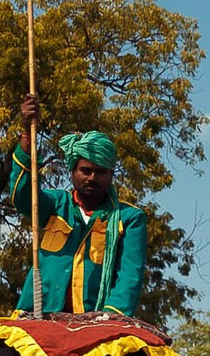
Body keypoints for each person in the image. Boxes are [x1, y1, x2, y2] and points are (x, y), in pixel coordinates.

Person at [8, 95, 147, 316]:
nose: (92, 178)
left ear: (111, 175)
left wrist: (109, 317)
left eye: (100, 172)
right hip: (39, 317)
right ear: (73, 172)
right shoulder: (55, 205)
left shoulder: (129, 218)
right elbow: (21, 195)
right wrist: (27, 130)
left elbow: (130, 276)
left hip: (96, 321)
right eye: (86, 170)